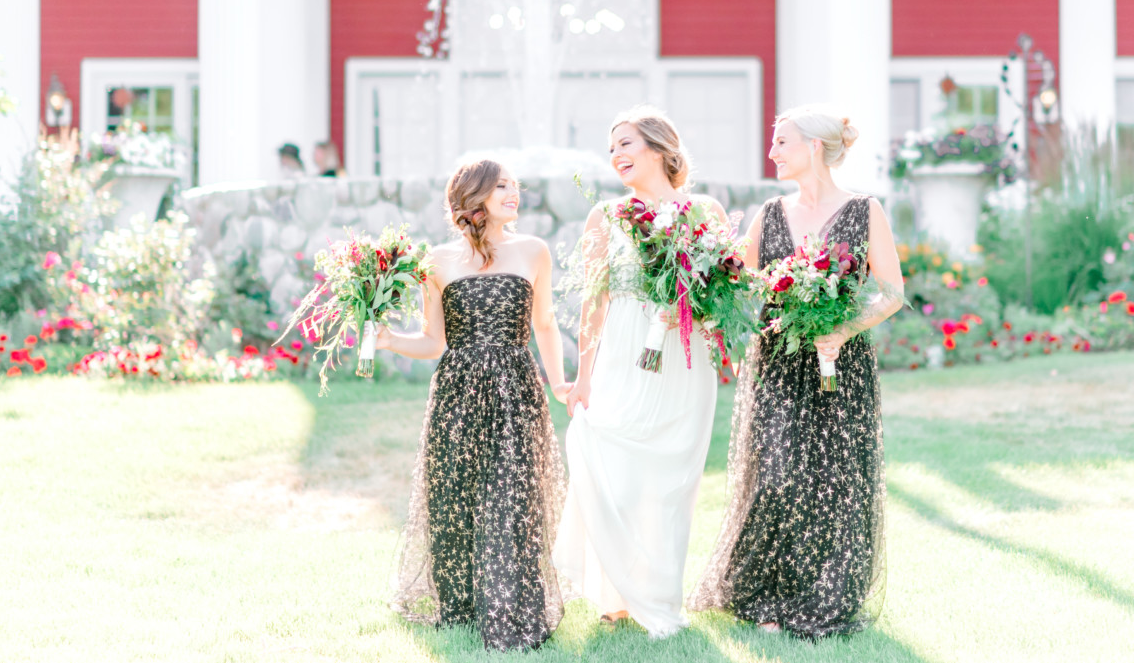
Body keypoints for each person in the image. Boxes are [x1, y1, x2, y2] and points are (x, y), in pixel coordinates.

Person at [690, 105, 904, 639]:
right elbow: (738, 280)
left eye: (781, 142)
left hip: (840, 365)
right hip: (777, 363)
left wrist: (845, 327)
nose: (772, 152)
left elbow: (892, 292)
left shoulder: (864, 210)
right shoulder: (770, 212)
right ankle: (767, 593)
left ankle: (826, 592)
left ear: (813, 147)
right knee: (777, 475)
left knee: (834, 478)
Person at [553, 106, 729, 637]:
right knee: (612, 462)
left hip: (682, 353)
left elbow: (726, 291)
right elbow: (594, 302)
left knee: (670, 483)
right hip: (624, 353)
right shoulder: (605, 217)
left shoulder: (705, 210)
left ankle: (660, 597)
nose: (617, 155)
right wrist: (582, 375)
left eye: (626, 143)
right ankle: (617, 593)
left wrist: (694, 305)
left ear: (659, 147)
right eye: (612, 149)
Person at [386, 158, 571, 651]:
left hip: (515, 388)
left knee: (513, 494)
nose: (514, 193)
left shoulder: (534, 251)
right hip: (458, 391)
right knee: (456, 496)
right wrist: (388, 340)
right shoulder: (437, 261)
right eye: (502, 186)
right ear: (475, 197)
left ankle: (514, 609)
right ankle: (462, 606)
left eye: (516, 185)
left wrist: (559, 384)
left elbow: (546, 324)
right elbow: (432, 341)